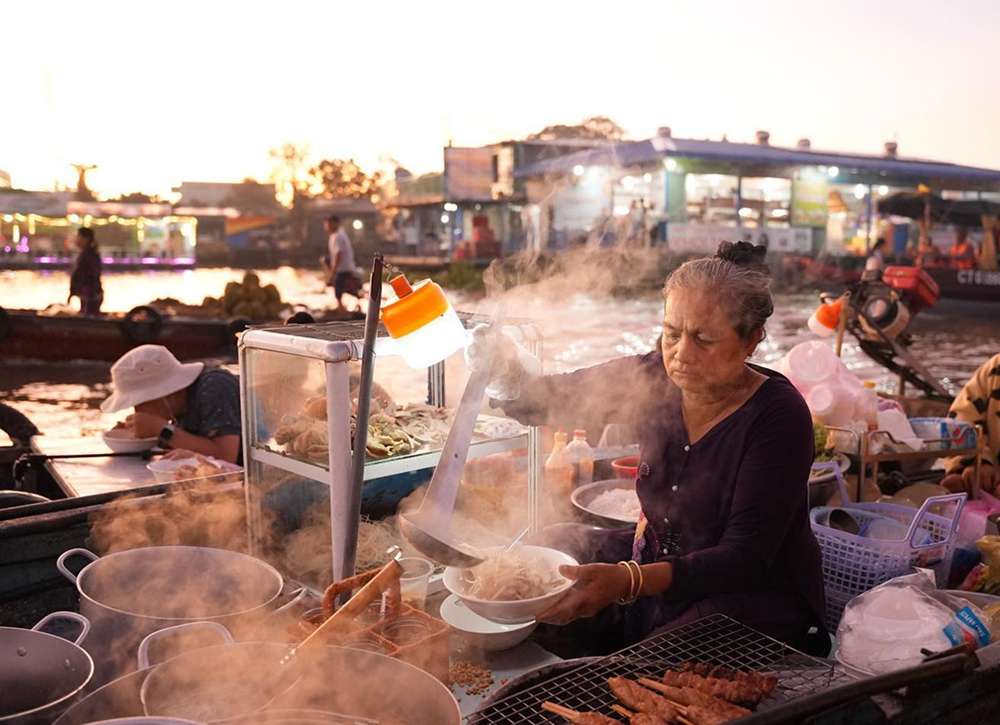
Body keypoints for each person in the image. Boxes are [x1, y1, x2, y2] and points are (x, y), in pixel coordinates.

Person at [479, 241, 827, 654]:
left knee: (639, 665)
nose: (681, 354)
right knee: (555, 543)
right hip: (655, 555)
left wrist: (628, 581)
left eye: (703, 338)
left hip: (749, 595)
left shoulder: (778, 417)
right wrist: (505, 374)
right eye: (671, 333)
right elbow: (559, 396)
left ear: (751, 340)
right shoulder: (654, 376)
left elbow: (745, 558)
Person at [101, 345, 242, 464]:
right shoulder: (177, 405)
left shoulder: (216, 386)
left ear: (164, 393)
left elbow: (227, 456)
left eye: (139, 402)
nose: (136, 410)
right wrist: (137, 431)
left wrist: (161, 429)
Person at [941, 352, 1000, 495]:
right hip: (991, 474)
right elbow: (963, 416)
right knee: (952, 486)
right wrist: (976, 461)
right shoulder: (995, 369)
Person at [324, 215, 361, 309]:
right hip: (344, 268)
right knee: (346, 287)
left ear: (335, 223)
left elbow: (338, 254)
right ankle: (349, 306)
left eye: (329, 223)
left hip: (343, 268)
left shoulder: (338, 236)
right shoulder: (335, 235)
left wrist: (333, 271)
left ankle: (341, 309)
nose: (327, 226)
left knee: (339, 288)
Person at [68, 227, 103, 315]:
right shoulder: (87, 254)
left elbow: (89, 275)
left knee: (88, 316)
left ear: (86, 239)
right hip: (88, 293)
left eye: (78, 237)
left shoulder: (89, 255)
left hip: (90, 295)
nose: (76, 240)